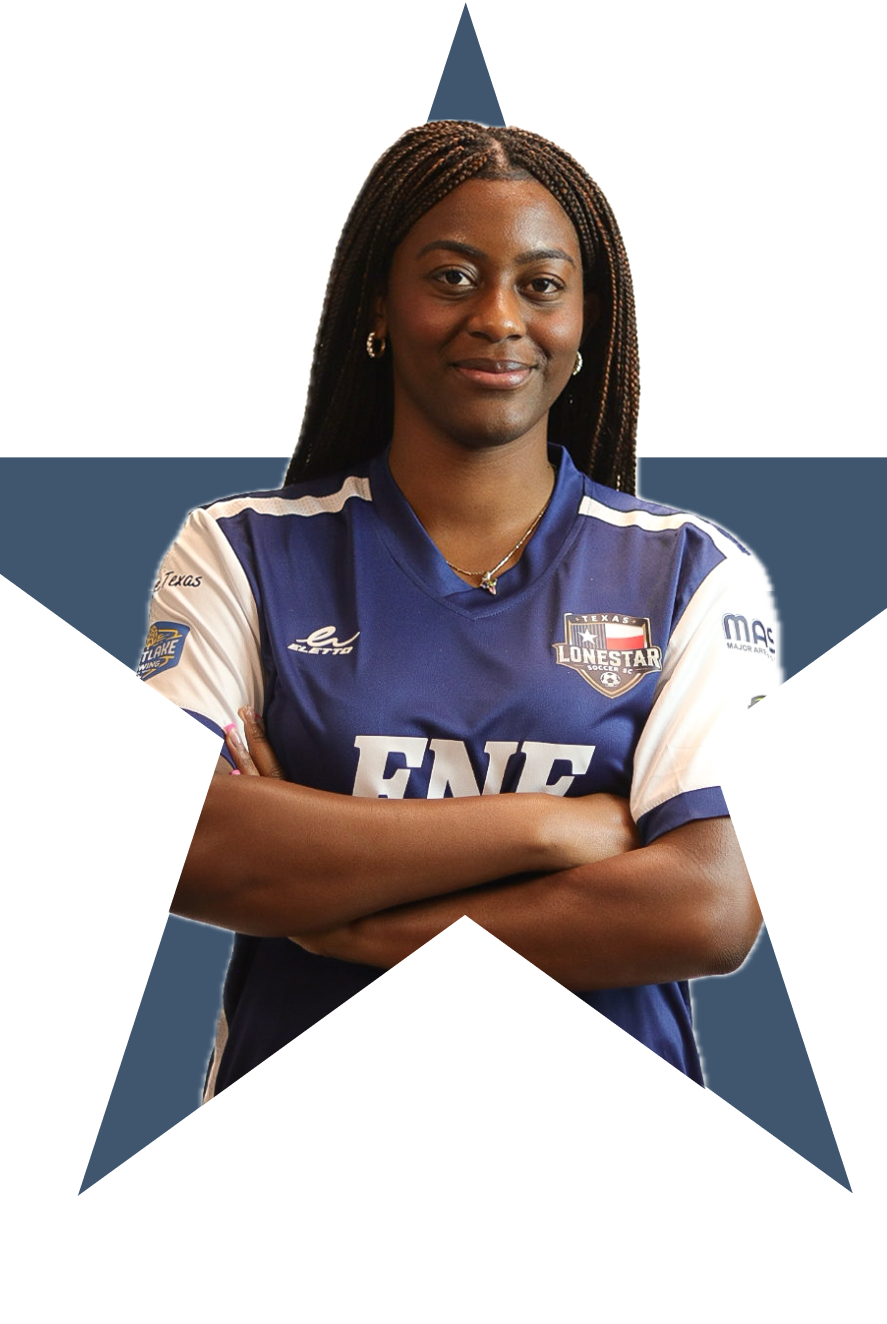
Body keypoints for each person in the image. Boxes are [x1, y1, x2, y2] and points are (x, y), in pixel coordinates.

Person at [135, 120, 782, 1101]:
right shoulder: (242, 551)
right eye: (450, 277)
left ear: (586, 321)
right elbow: (196, 849)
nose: (497, 317)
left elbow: (711, 907)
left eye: (542, 284)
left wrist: (359, 926)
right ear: (378, 303)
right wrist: (550, 830)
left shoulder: (693, 572)